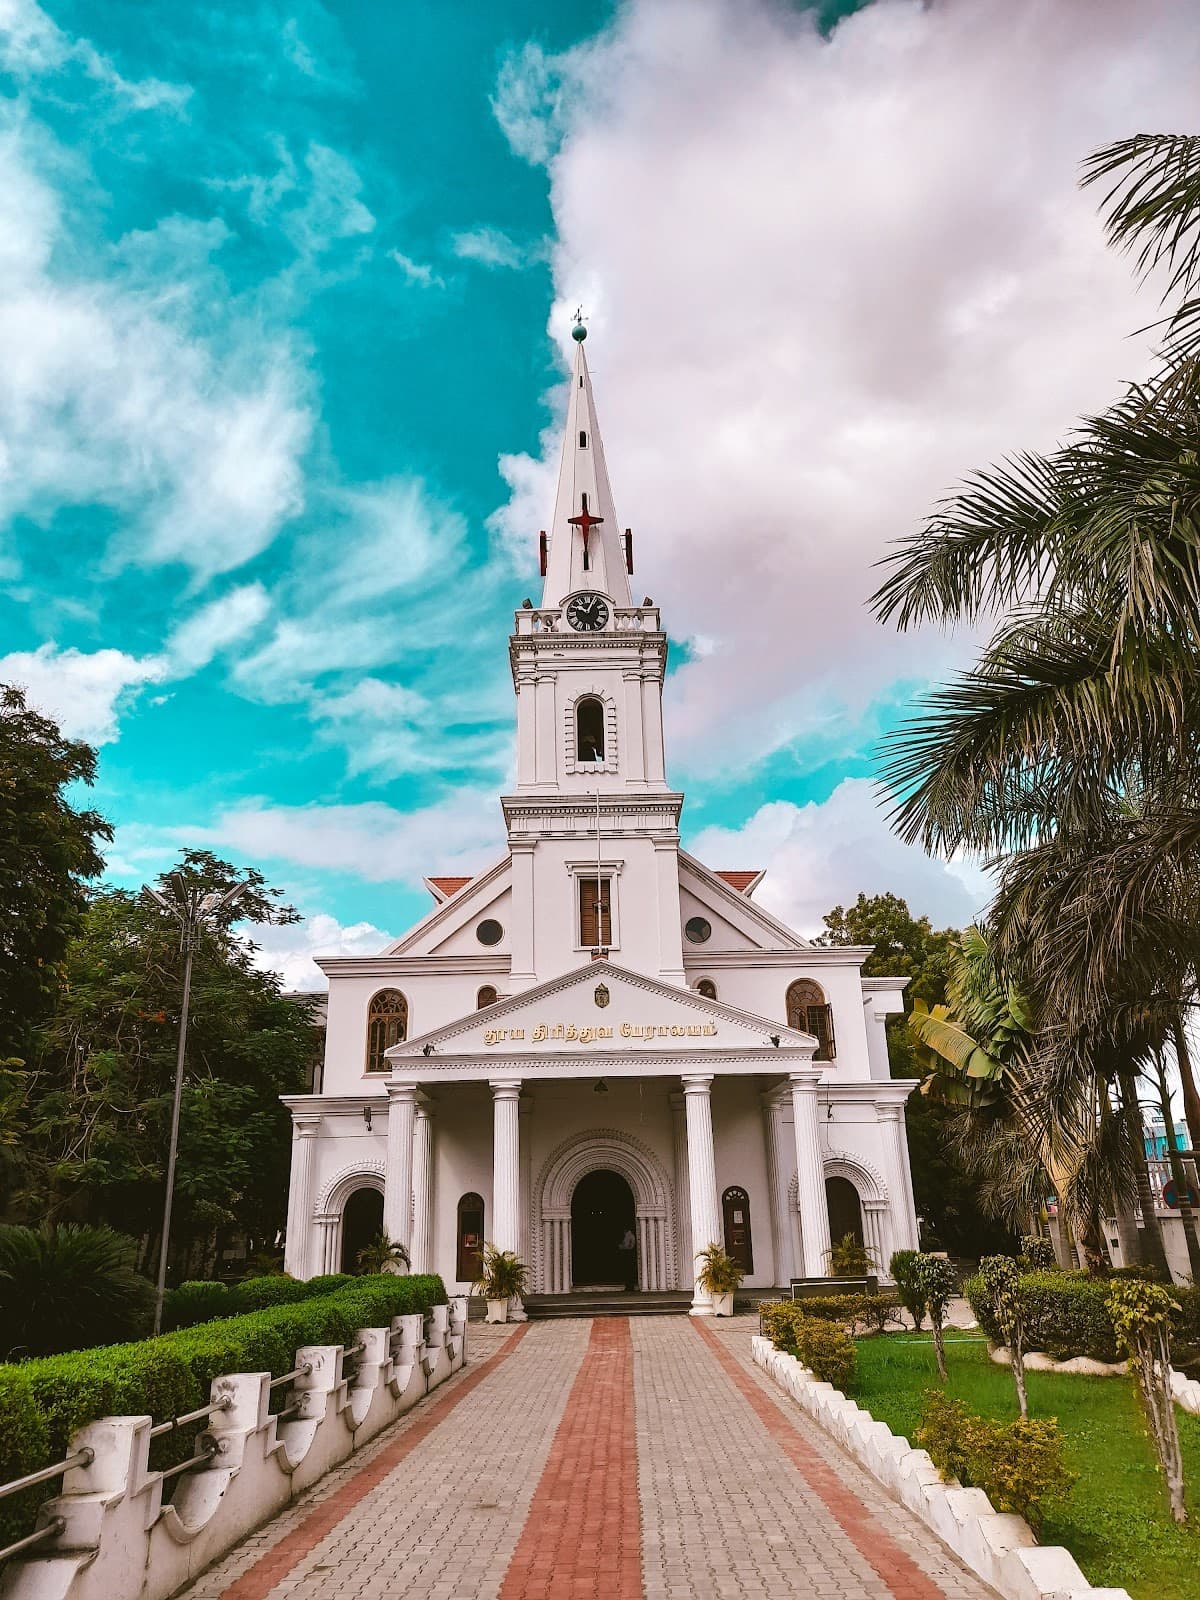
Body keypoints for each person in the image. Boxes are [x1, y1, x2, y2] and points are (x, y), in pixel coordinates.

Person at [619, 1226, 636, 1290]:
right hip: (628, 1253)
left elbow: (629, 1246)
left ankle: (630, 1286)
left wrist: (621, 1247)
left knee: (629, 1271)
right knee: (628, 1271)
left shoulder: (629, 1236)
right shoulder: (628, 1235)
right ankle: (629, 1286)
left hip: (628, 1254)